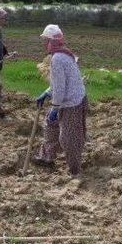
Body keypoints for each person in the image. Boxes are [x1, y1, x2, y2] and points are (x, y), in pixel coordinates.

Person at [32, 24, 88, 177]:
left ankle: (75, 170)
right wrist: (47, 92)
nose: (44, 44)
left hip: (72, 102)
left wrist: (55, 109)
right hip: (68, 98)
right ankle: (47, 156)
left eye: (46, 40)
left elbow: (61, 88)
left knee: (69, 138)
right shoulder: (64, 55)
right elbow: (59, 83)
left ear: (52, 41)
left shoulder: (57, 59)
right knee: (51, 125)